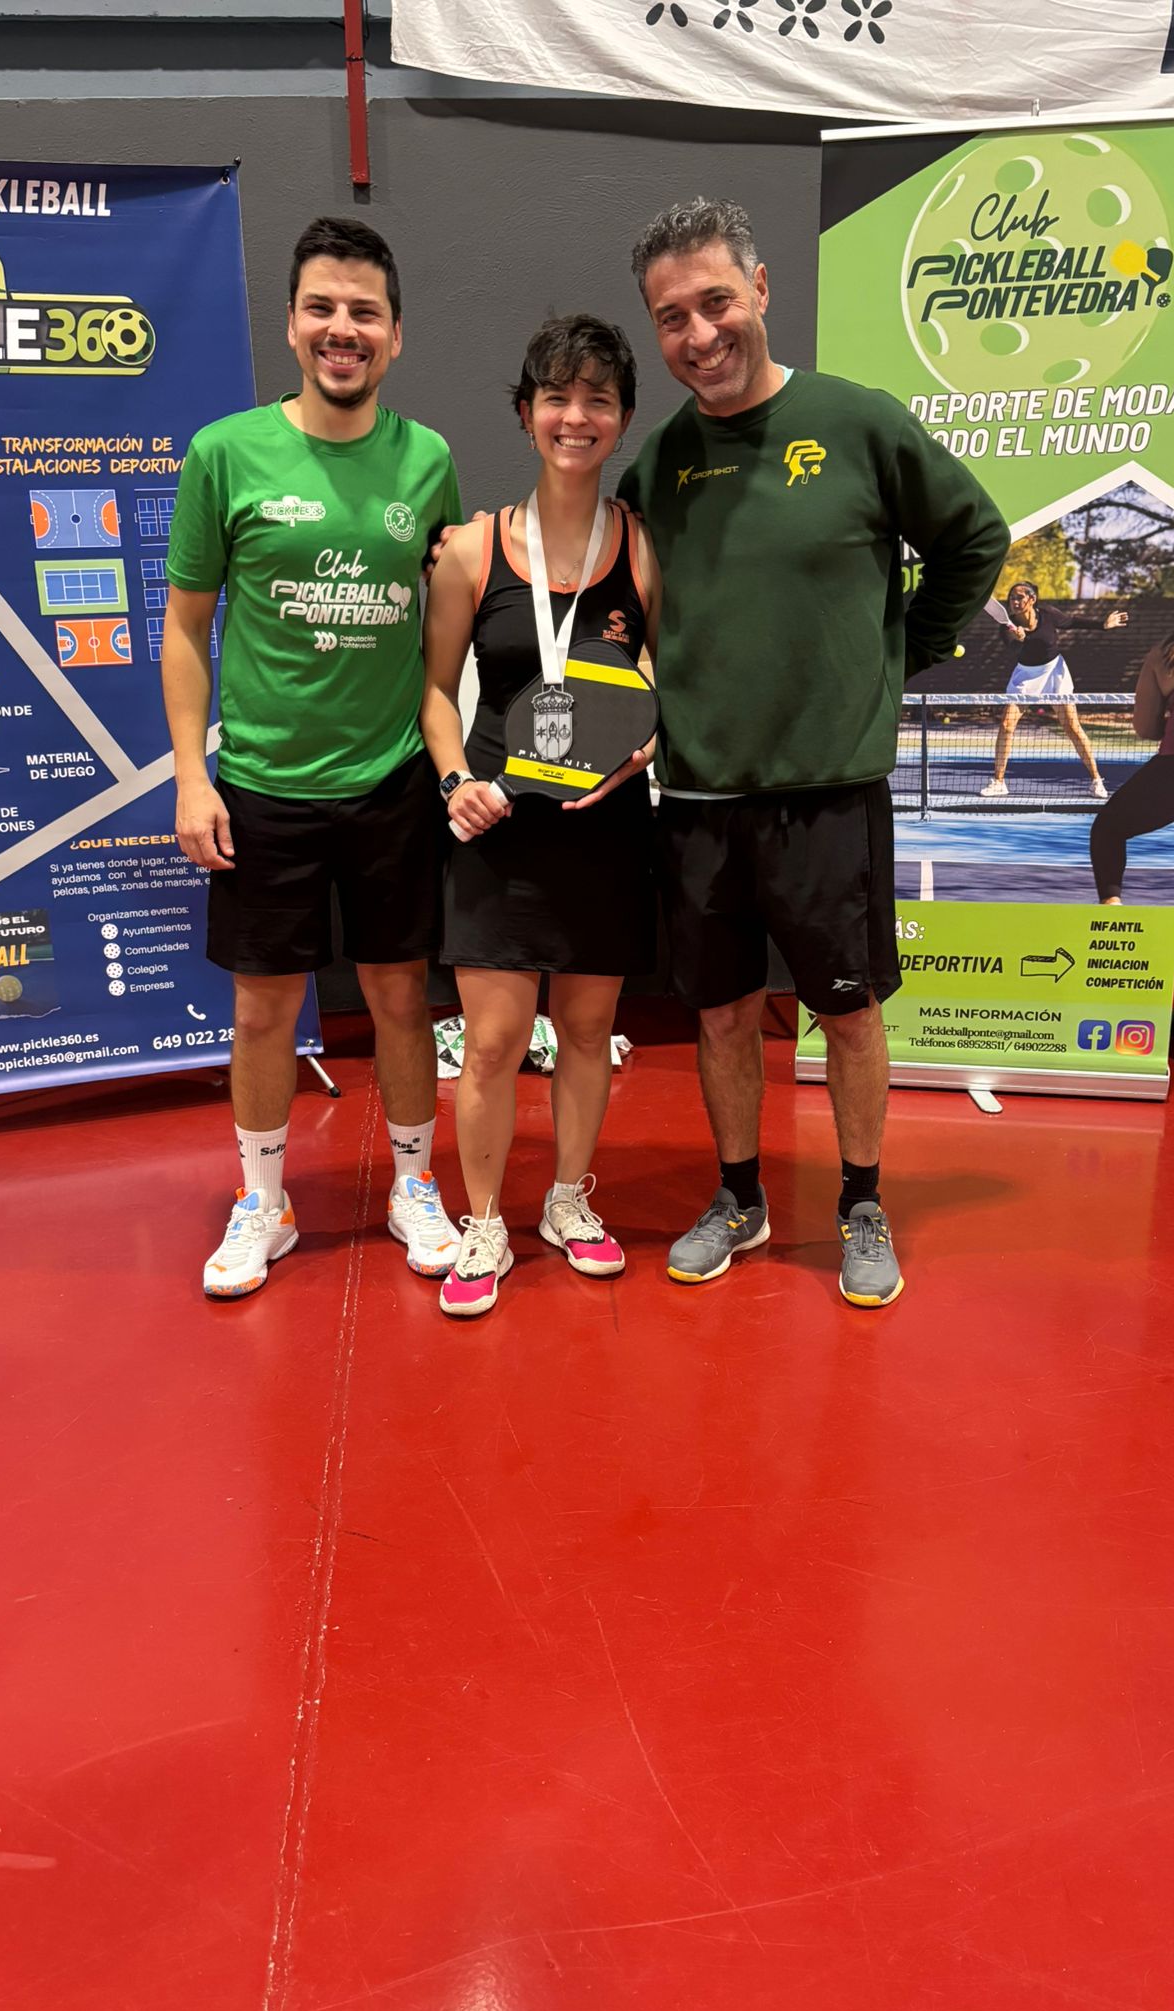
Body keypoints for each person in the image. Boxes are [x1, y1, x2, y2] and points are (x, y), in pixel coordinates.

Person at [617, 196, 1009, 1308]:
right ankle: (740, 1195)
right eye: (672, 317)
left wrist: (906, 652)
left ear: (760, 290)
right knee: (721, 1014)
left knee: (848, 1013)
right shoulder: (660, 464)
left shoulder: (858, 421)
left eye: (715, 302)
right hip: (699, 797)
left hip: (829, 797)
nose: (699, 334)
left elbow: (976, 536)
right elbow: (625, 609)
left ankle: (862, 1202)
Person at [162, 216, 465, 1299]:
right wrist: (192, 775)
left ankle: (416, 1184)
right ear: (292, 326)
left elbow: (450, 615)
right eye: (323, 308)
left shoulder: (429, 460)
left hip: (390, 783)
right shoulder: (223, 453)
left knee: (400, 998)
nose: (344, 329)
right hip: (261, 789)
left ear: (396, 335)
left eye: (365, 312)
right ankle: (265, 1200)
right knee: (261, 1011)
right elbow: (186, 627)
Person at [420, 314, 660, 1318]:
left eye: (597, 399)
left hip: (606, 826)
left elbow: (666, 680)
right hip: (498, 826)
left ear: (622, 418)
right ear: (526, 414)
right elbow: (435, 693)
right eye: (557, 397)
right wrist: (452, 782)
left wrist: (645, 744)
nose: (576, 416)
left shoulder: (641, 546)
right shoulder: (473, 548)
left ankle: (567, 1200)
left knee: (590, 1028)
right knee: (491, 1040)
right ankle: (484, 1220)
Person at [1089, 559, 1174, 905]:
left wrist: (1170, 720)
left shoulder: (1167, 654)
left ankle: (1111, 910)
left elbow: (1145, 727)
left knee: (1108, 830)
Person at [979, 581, 1128, 799]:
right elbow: (1014, 649)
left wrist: (1102, 625)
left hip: (1054, 672)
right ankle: (999, 782)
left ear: (1032, 599)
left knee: (1072, 727)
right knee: (1006, 725)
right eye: (1011, 598)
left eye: (1019, 597)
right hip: (1025, 675)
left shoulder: (1048, 614)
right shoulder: (1006, 627)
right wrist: (1021, 640)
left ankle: (1096, 780)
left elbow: (1071, 621)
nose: (1014, 601)